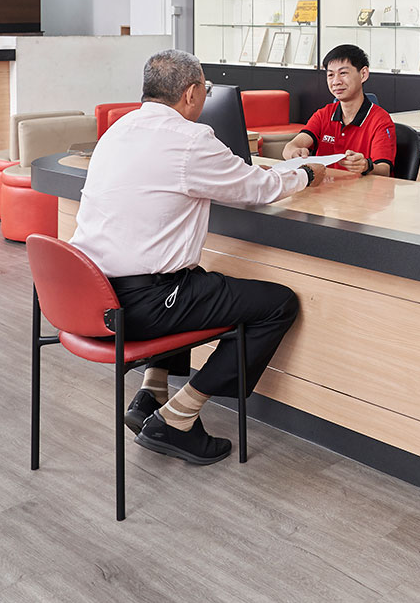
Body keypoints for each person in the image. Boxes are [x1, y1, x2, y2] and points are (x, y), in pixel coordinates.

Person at [70, 49, 325, 466]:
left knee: (190, 276)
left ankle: (152, 392)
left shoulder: (117, 129)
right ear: (191, 93)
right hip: (142, 304)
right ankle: (178, 417)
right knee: (277, 305)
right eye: (205, 88)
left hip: (90, 297)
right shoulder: (189, 140)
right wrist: (307, 175)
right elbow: (258, 190)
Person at [281, 44, 395, 176]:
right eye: (330, 75)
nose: (336, 82)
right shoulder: (323, 114)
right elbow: (289, 148)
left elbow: (384, 170)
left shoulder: (381, 121)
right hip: (323, 186)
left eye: (343, 73)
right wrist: (294, 153)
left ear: (363, 74)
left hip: (361, 188)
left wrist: (366, 166)